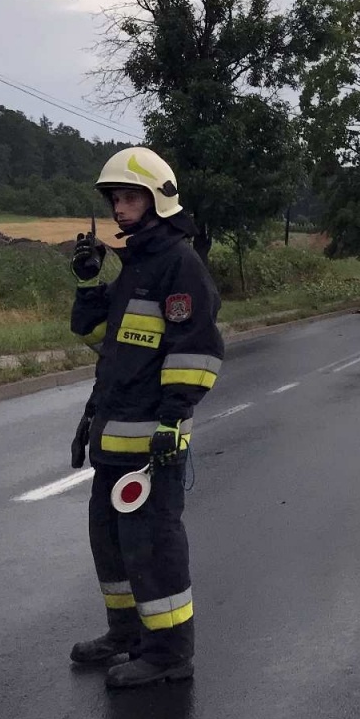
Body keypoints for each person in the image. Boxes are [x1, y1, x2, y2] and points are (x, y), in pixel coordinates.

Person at [67, 147, 224, 689]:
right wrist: (89, 282)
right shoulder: (136, 265)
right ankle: (126, 634)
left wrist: (172, 422)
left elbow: (197, 349)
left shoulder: (179, 266)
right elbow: (98, 341)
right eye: (115, 198)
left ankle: (168, 654)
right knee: (109, 540)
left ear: (158, 200)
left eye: (129, 197)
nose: (119, 208)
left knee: (151, 546)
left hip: (151, 444)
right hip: (112, 438)